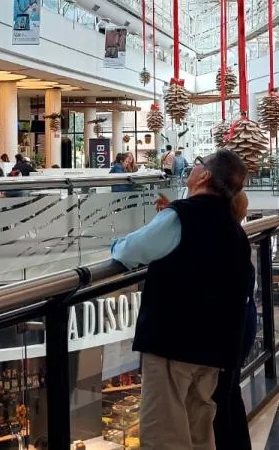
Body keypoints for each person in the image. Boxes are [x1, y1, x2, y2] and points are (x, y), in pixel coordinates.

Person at [111, 150, 252, 450]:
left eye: (199, 164)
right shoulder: (234, 231)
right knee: (200, 433)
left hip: (171, 345)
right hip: (213, 350)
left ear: (205, 176)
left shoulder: (182, 216)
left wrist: (114, 245)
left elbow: (128, 251)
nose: (193, 168)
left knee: (164, 435)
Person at [212, 190, 254, 450]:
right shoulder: (236, 238)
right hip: (238, 333)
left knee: (221, 400)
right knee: (230, 395)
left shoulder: (225, 241)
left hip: (226, 337)